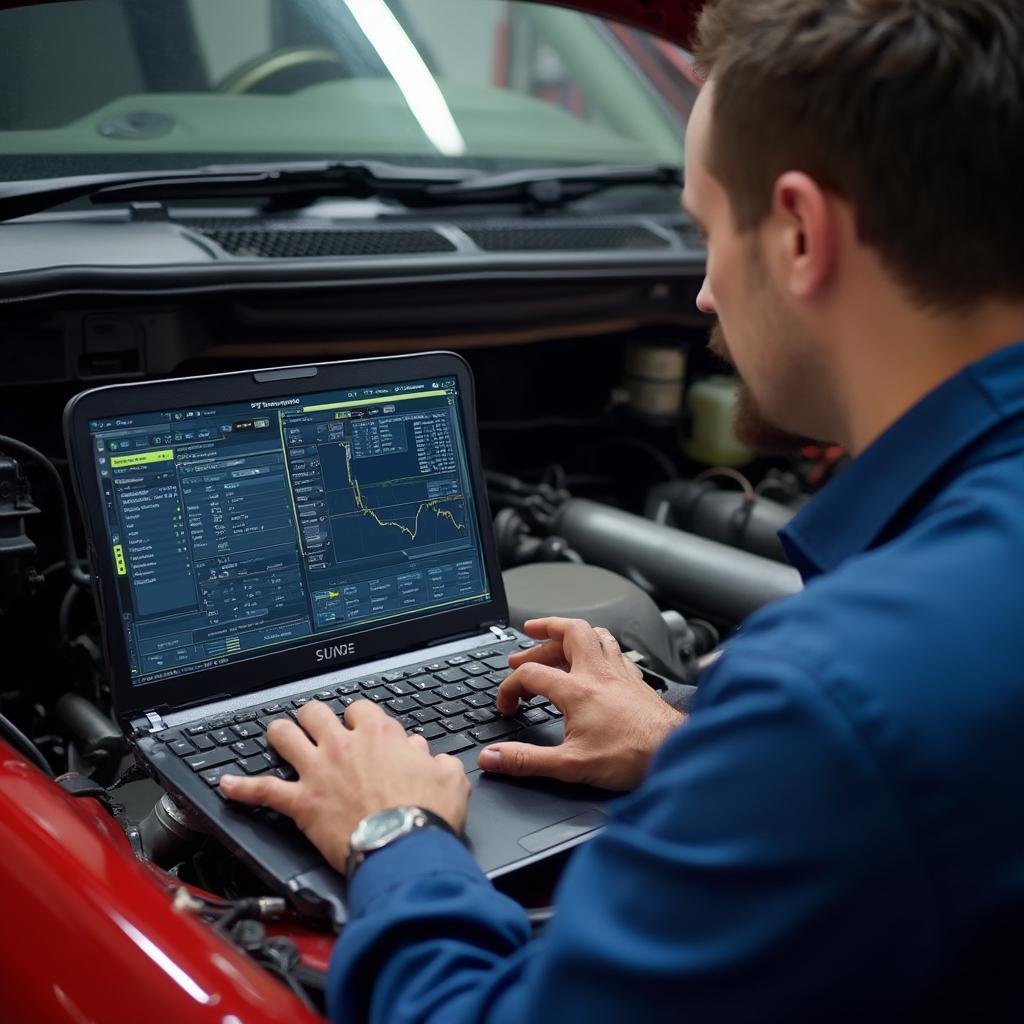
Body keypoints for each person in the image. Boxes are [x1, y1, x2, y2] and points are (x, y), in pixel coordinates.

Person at [220, 0, 1024, 1018]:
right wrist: (693, 753)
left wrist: (392, 834)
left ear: (799, 231)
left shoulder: (835, 698)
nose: (698, 294)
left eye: (702, 229)